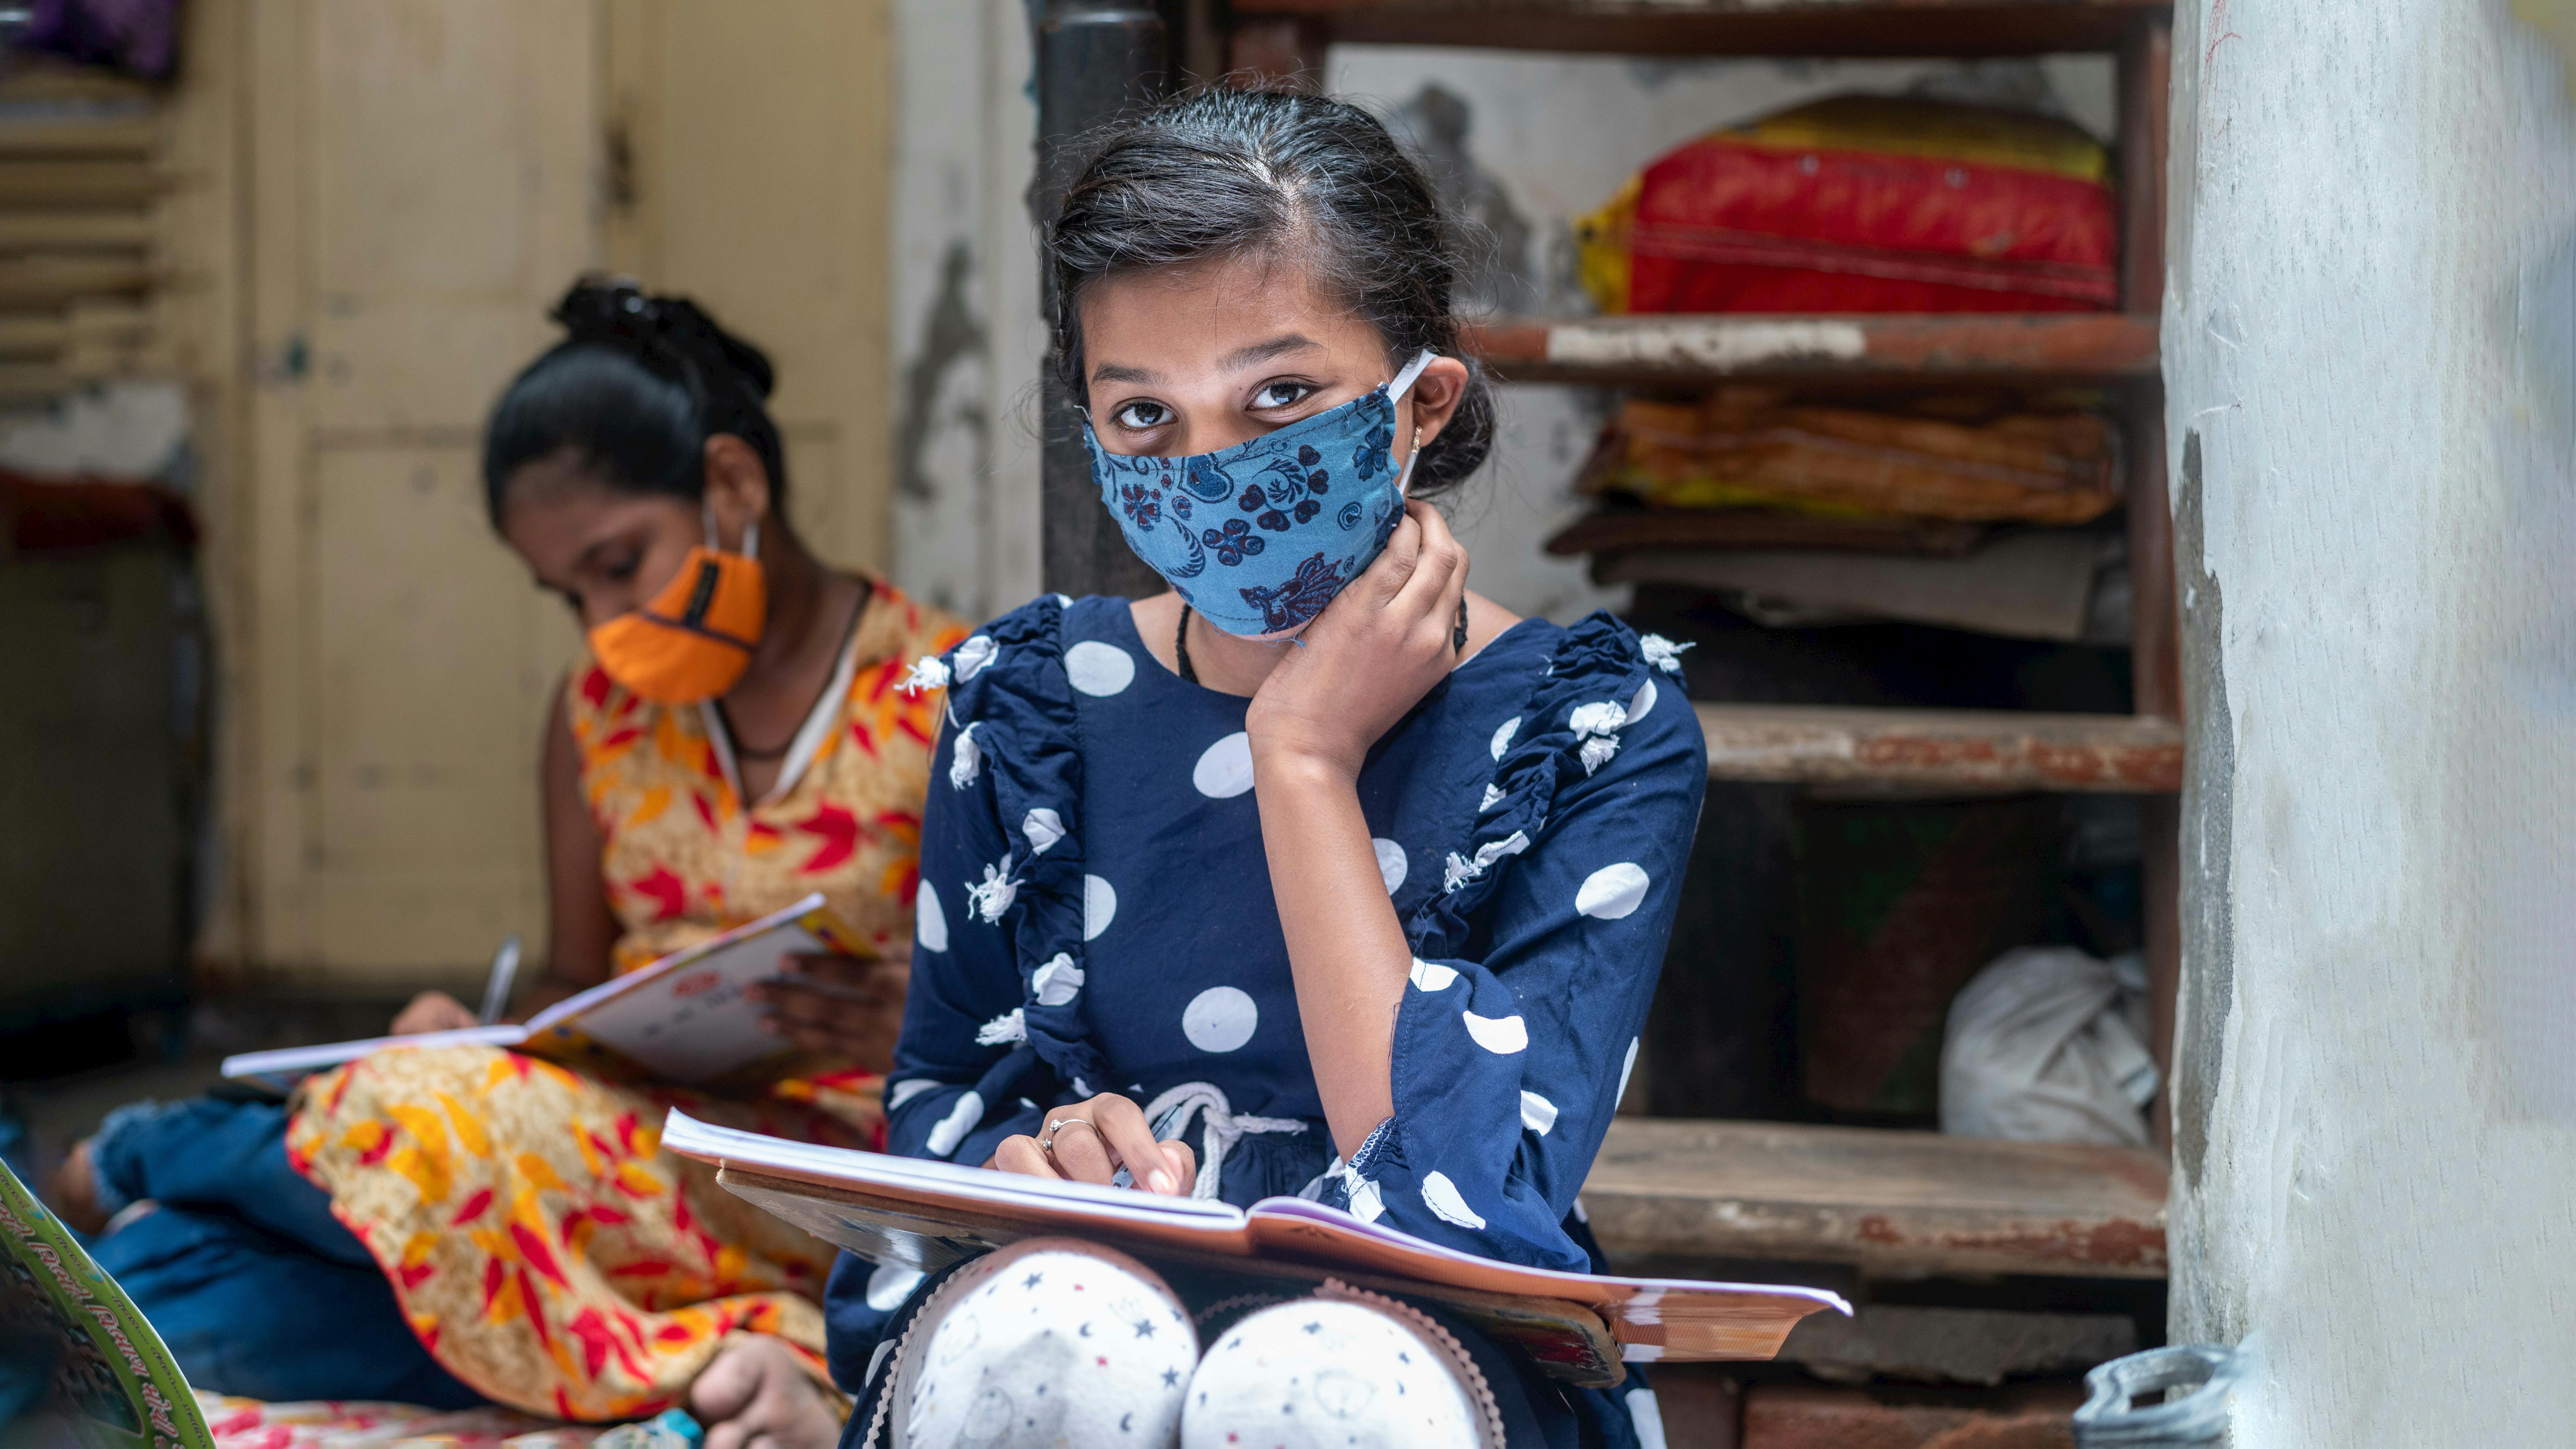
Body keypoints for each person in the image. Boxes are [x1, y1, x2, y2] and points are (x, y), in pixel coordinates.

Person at [824, 88, 1706, 1448]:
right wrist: (1035, 1161)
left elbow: (1463, 1189)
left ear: (1420, 408)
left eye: (1279, 396)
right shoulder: (1026, 711)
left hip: (1423, 1361)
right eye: (1142, 418)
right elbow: (941, 1111)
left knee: (1327, 1387)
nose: (1211, 466)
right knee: (1044, 1336)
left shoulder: (1587, 734)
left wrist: (1300, 760)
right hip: (1068, 1328)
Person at [52, 281, 964, 1445]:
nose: (600, 625)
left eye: (619, 563)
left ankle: (135, 1153)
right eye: (566, 594)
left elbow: (1033, 1035)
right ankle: (204, 1201)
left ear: (734, 487)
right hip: (590, 1147)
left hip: (808, 1181)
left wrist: (911, 1032)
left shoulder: (951, 695)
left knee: (415, 1128)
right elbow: (566, 982)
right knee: (175, 1293)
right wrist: (492, 1034)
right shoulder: (598, 714)